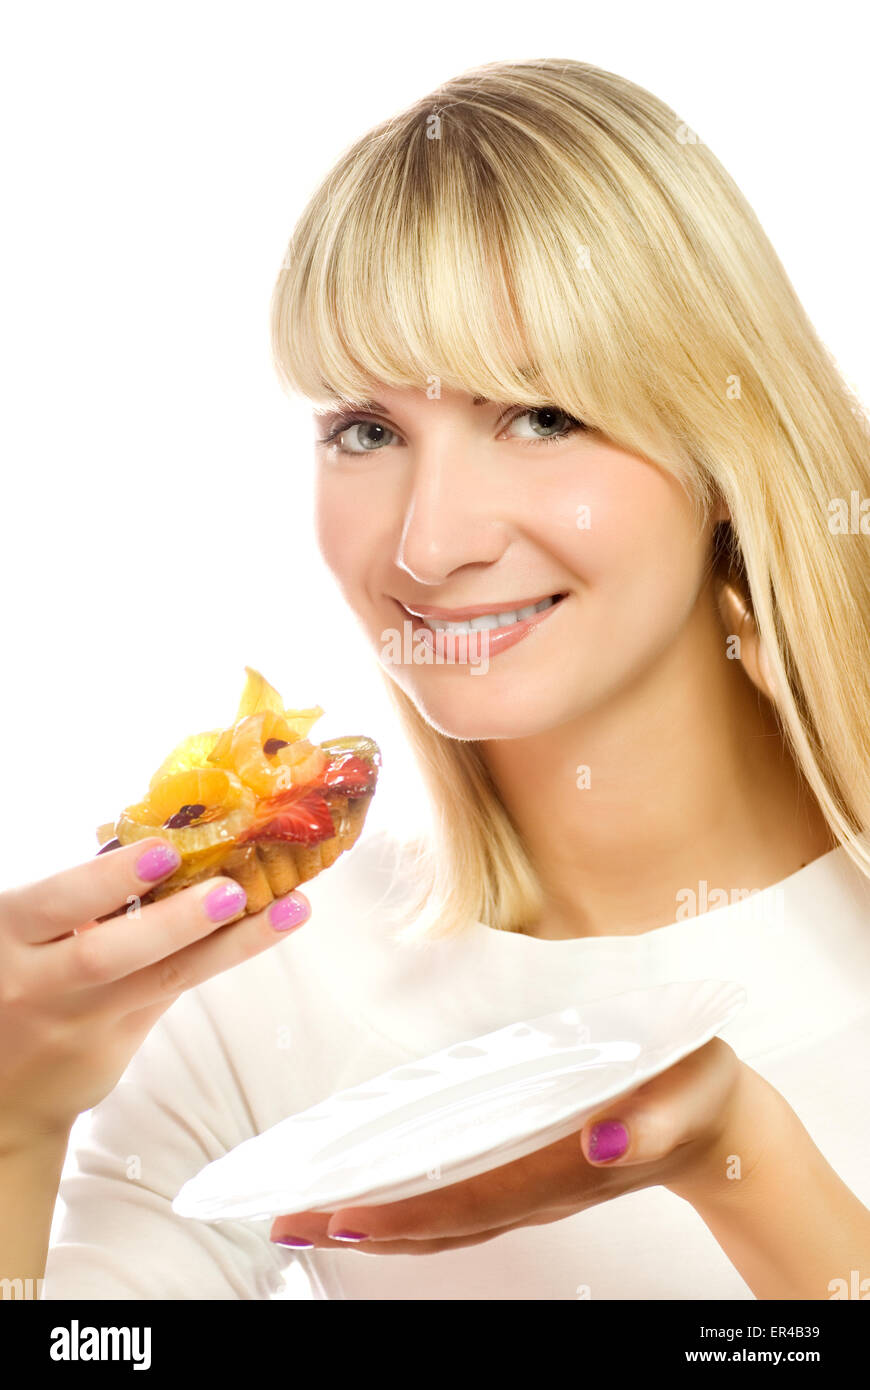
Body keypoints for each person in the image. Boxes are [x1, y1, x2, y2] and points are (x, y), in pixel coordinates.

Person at [3, 56, 869, 1300]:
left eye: (538, 414)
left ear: (724, 440)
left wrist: (753, 1164)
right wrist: (13, 1132)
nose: (429, 543)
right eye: (366, 430)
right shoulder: (263, 988)